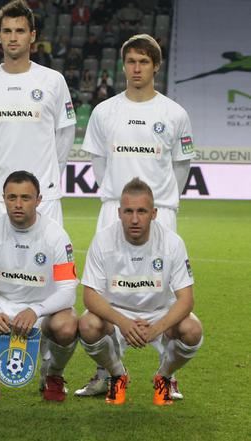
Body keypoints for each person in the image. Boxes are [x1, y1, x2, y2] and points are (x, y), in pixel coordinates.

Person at [77, 34, 195, 399]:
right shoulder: (104, 111)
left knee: (163, 295)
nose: (137, 68)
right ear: (123, 65)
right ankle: (108, 373)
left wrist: (160, 204)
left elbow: (181, 168)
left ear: (156, 66)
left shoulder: (174, 113)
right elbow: (99, 164)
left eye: (144, 62)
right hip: (114, 208)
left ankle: (166, 375)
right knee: (104, 295)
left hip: (160, 213)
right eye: (131, 62)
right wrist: (118, 196)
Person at [0, 171, 78, 402]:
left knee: (67, 325)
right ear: (4, 199)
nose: (18, 204)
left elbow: (68, 291)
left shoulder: (57, 236)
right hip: (1, 305)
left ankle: (53, 376)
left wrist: (36, 310)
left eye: (26, 198)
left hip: (41, 308)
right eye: (12, 197)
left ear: (39, 200)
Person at [78, 178, 202, 406]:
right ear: (119, 213)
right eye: (128, 211)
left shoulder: (172, 243)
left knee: (192, 329)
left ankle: (164, 377)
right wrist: (123, 323)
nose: (134, 219)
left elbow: (186, 299)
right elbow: (90, 295)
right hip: (115, 314)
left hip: (158, 313)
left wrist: (157, 328)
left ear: (154, 213)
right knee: (87, 324)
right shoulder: (103, 240)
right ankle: (117, 375)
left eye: (142, 211)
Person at [0, 0, 76, 232]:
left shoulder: (53, 81)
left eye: (20, 31)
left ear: (32, 35)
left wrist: (48, 177)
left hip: (44, 198)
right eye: (7, 31)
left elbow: (65, 135)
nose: (13, 37)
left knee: (49, 267)